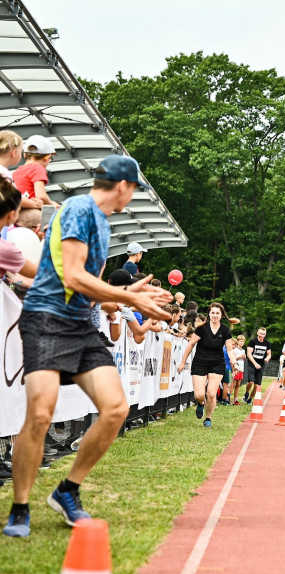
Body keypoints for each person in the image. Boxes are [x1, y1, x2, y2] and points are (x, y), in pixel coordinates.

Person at [5, 155, 172, 538]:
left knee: (115, 408)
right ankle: (19, 508)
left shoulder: (99, 221)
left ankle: (68, 490)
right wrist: (129, 301)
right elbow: (77, 275)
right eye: (134, 191)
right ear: (123, 186)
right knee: (41, 414)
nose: (132, 198)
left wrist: (122, 295)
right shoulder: (81, 208)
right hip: (47, 320)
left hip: (78, 324)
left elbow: (85, 287)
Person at [178, 302, 233, 427]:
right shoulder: (202, 328)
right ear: (209, 314)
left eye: (217, 313)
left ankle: (208, 418)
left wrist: (234, 362)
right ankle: (201, 404)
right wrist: (183, 362)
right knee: (199, 395)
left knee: (211, 393)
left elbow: (229, 349)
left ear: (222, 315)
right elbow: (191, 345)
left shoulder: (225, 330)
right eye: (212, 313)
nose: (215, 315)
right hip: (200, 362)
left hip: (217, 363)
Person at [12, 135, 58, 208]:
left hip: (18, 209)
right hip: (32, 210)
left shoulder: (16, 171)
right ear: (48, 157)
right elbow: (41, 196)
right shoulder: (38, 169)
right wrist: (52, 205)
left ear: (24, 155)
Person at [243, 327, 272, 403]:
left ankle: (250, 399)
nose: (262, 335)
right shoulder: (252, 341)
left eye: (264, 334)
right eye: (261, 333)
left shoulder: (267, 343)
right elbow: (249, 354)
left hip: (261, 365)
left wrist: (267, 358)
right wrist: (255, 363)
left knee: (257, 385)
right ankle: (247, 393)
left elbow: (269, 354)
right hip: (252, 364)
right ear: (258, 333)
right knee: (251, 382)